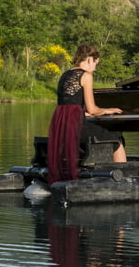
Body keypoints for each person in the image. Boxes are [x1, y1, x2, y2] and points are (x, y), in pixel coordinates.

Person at [47, 43, 128, 183]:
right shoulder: (86, 75)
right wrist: (108, 110)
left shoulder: (65, 74)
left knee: (104, 133)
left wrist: (89, 114)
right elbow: (92, 109)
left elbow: (69, 106)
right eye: (96, 63)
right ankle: (123, 179)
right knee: (116, 137)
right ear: (90, 59)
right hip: (75, 125)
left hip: (61, 125)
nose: (95, 68)